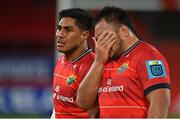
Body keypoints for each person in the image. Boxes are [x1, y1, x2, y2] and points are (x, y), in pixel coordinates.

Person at [77, 6, 171, 118]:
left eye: (104, 37)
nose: (100, 44)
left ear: (124, 32)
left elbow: (160, 103)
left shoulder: (148, 56)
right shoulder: (102, 61)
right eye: (97, 39)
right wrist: (98, 62)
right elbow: (83, 102)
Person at [51, 8, 97, 118]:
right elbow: (58, 108)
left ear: (84, 35)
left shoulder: (93, 68)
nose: (60, 35)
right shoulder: (61, 61)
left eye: (67, 30)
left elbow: (95, 114)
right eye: (59, 28)